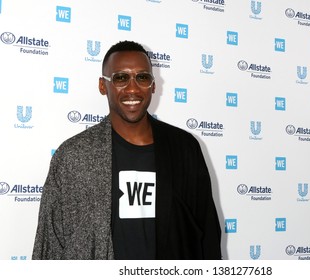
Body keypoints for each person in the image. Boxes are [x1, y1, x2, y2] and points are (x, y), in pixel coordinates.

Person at [32, 40, 222, 260]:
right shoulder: (73, 155)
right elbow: (50, 244)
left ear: (153, 85)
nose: (132, 88)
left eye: (142, 77)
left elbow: (207, 235)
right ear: (103, 86)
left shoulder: (185, 148)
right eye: (121, 78)